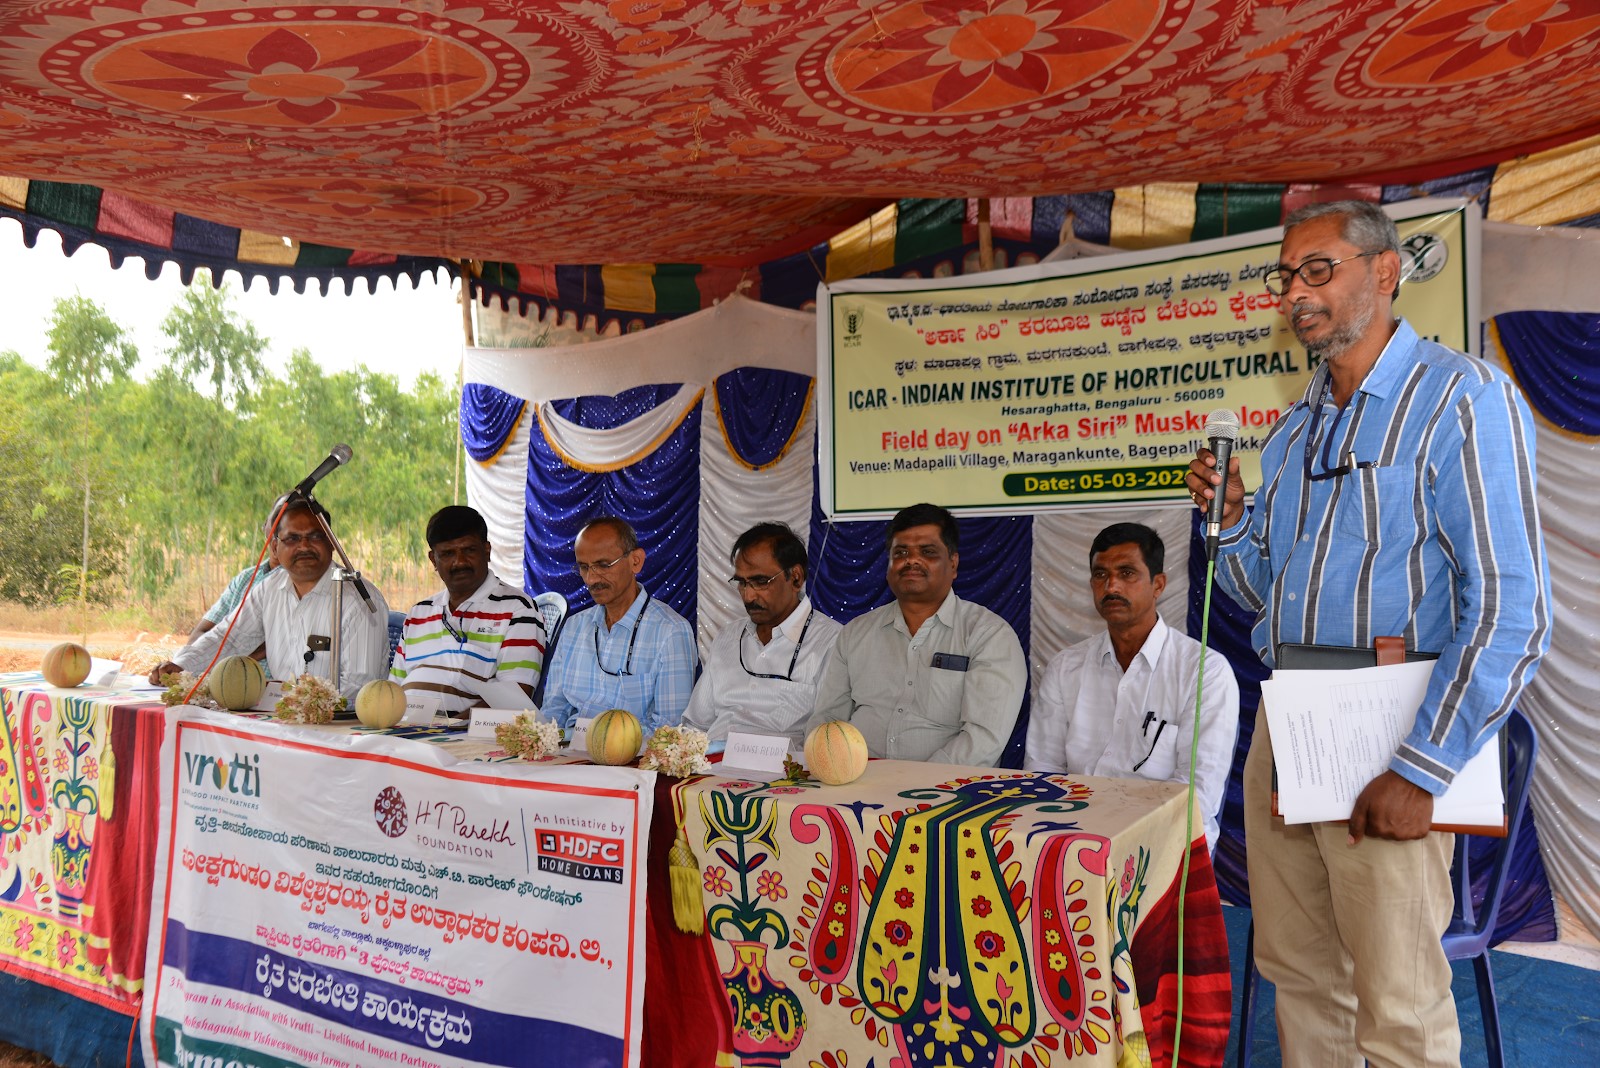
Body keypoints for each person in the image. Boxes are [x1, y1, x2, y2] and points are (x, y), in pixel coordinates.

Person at [1186, 199, 1550, 1067]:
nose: (1296, 293)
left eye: (1320, 270)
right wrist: (1231, 524)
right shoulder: (1296, 427)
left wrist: (1424, 766)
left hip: (1393, 725)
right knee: (1299, 977)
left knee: (1398, 1003)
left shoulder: (1459, 396)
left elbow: (1510, 605)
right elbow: (1257, 600)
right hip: (1290, 721)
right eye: (1286, 276)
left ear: (1385, 273)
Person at [1024, 522, 1238, 849]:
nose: (1111, 585)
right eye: (1100, 574)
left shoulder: (1204, 671)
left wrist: (1118, 844)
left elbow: (1197, 795)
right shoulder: (1066, 667)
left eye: (1127, 573)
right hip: (1072, 836)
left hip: (1163, 844)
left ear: (1158, 584)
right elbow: (1043, 773)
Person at [808, 503, 1025, 767]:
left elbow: (984, 739)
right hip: (857, 783)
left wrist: (915, 783)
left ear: (953, 563)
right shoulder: (855, 632)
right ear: (888, 564)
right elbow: (828, 720)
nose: (911, 560)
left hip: (949, 794)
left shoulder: (989, 635)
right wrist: (833, 767)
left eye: (927, 552)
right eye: (900, 552)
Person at [149, 497, 393, 701]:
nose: (304, 546)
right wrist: (182, 667)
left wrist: (282, 696)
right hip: (281, 720)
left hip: (342, 734)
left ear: (332, 543)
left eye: (316, 536)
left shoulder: (358, 599)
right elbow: (230, 639)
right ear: (275, 548)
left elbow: (360, 688)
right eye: (292, 539)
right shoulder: (269, 589)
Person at [683, 522, 842, 748]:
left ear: (796, 577)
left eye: (760, 582)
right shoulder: (728, 637)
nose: (748, 596)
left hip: (787, 776)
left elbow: (828, 740)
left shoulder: (832, 641)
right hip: (714, 770)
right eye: (741, 583)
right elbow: (696, 724)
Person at [540, 516, 697, 734]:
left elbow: (669, 729)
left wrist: (609, 743)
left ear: (636, 561)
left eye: (603, 565)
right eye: (584, 567)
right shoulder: (574, 627)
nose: (592, 579)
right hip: (568, 753)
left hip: (631, 760)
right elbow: (553, 710)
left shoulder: (670, 631)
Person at [390, 505, 547, 718]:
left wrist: (448, 728)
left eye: (469, 550)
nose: (459, 562)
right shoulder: (419, 613)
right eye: (447, 554)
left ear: (487, 551)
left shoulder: (518, 610)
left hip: (460, 739)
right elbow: (394, 688)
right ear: (433, 560)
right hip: (404, 731)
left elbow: (515, 698)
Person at [183, 495, 291, 657]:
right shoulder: (245, 579)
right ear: (265, 526)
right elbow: (200, 633)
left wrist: (229, 664)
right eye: (278, 516)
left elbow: (283, 640)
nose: (283, 525)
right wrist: (189, 661)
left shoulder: (301, 583)